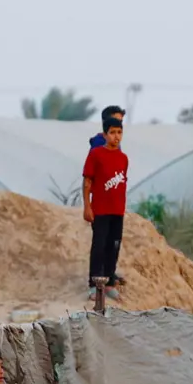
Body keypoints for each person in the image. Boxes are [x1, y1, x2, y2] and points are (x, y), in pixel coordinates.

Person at [82, 116, 129, 299]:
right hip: (100, 209)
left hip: (117, 210)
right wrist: (87, 206)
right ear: (105, 134)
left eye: (119, 132)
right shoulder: (95, 155)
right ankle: (94, 285)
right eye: (112, 133)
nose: (116, 137)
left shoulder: (123, 158)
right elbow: (87, 182)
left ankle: (109, 283)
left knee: (114, 245)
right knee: (99, 246)